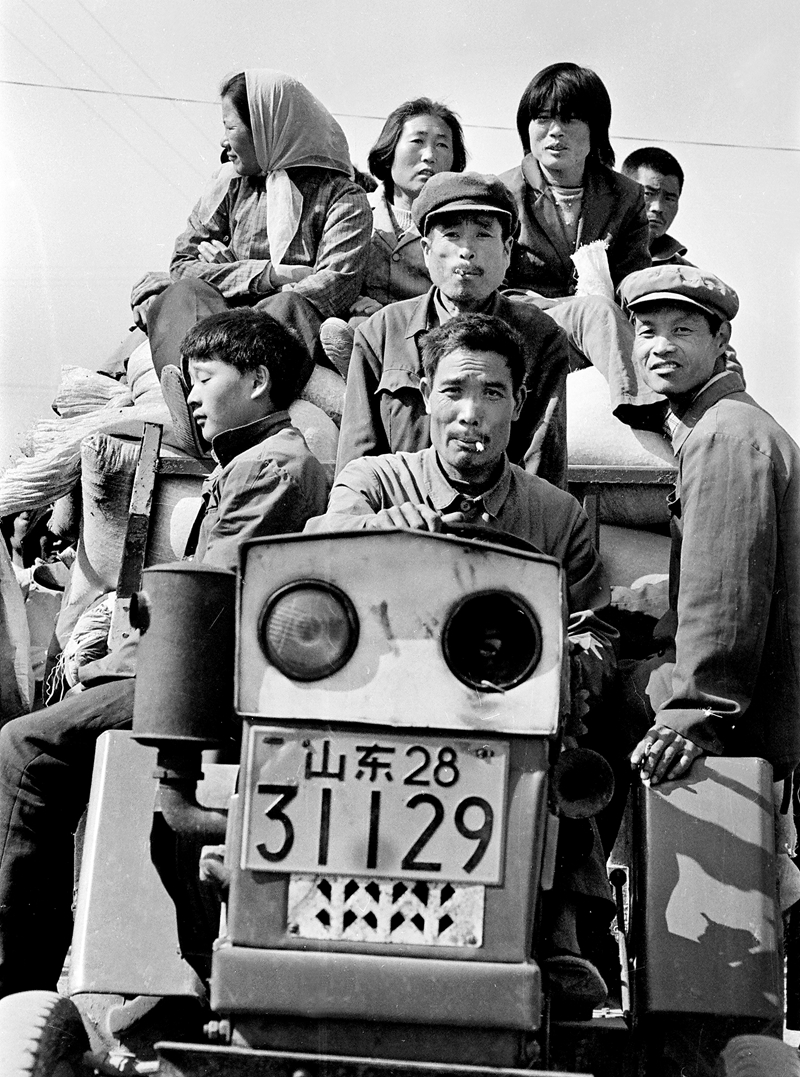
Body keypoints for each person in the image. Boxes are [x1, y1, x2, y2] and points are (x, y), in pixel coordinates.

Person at [0, 309, 329, 997]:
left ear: (258, 381)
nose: (194, 399)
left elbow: (207, 608)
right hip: (206, 669)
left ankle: (17, 983)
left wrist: (110, 666)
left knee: (26, 749)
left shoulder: (272, 467)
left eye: (205, 379)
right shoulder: (249, 463)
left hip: (214, 680)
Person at [309, 312, 617, 1010]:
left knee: (567, 738)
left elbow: (593, 629)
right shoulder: (375, 481)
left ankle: (561, 932)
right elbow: (321, 543)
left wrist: (566, 661)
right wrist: (389, 529)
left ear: (519, 403)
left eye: (493, 393)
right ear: (425, 396)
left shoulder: (558, 515)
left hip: (508, 716)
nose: (470, 413)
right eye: (453, 391)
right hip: (377, 707)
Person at [611, 267, 800, 788]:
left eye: (683, 330)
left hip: (755, 719)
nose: (661, 346)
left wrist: (693, 716)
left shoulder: (723, 436)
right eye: (647, 331)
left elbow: (725, 594)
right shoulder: (725, 423)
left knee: (599, 702)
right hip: (760, 698)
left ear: (721, 339)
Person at [128, 69, 372, 443]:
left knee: (289, 304)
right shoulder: (230, 185)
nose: (223, 140)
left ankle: (225, 406)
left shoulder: (343, 196)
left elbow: (333, 284)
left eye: (230, 127)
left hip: (282, 327)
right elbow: (182, 264)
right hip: (219, 315)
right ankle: (196, 397)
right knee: (184, 293)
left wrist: (235, 280)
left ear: (267, 128)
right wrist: (267, 274)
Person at [335, 171, 569, 488]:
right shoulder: (382, 331)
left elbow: (542, 464)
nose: (467, 250)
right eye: (452, 234)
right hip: (400, 512)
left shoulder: (540, 336)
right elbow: (356, 464)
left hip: (500, 513)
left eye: (483, 234)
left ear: (507, 250)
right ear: (426, 249)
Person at [499, 62, 664, 429]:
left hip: (600, 334)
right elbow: (495, 286)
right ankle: (649, 410)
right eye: (542, 118)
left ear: (596, 129)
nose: (555, 131)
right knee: (598, 311)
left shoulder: (625, 196)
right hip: (526, 325)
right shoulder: (503, 193)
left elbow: (633, 281)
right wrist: (578, 307)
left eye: (570, 119)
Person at [319, 97, 467, 377]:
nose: (429, 155)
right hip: (354, 326)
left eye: (442, 145)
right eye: (417, 141)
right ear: (390, 150)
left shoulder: (459, 228)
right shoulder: (351, 210)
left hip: (427, 342)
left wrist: (388, 313)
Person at [620, 147, 692, 266]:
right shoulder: (594, 254)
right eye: (648, 194)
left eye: (669, 199)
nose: (658, 208)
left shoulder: (682, 272)